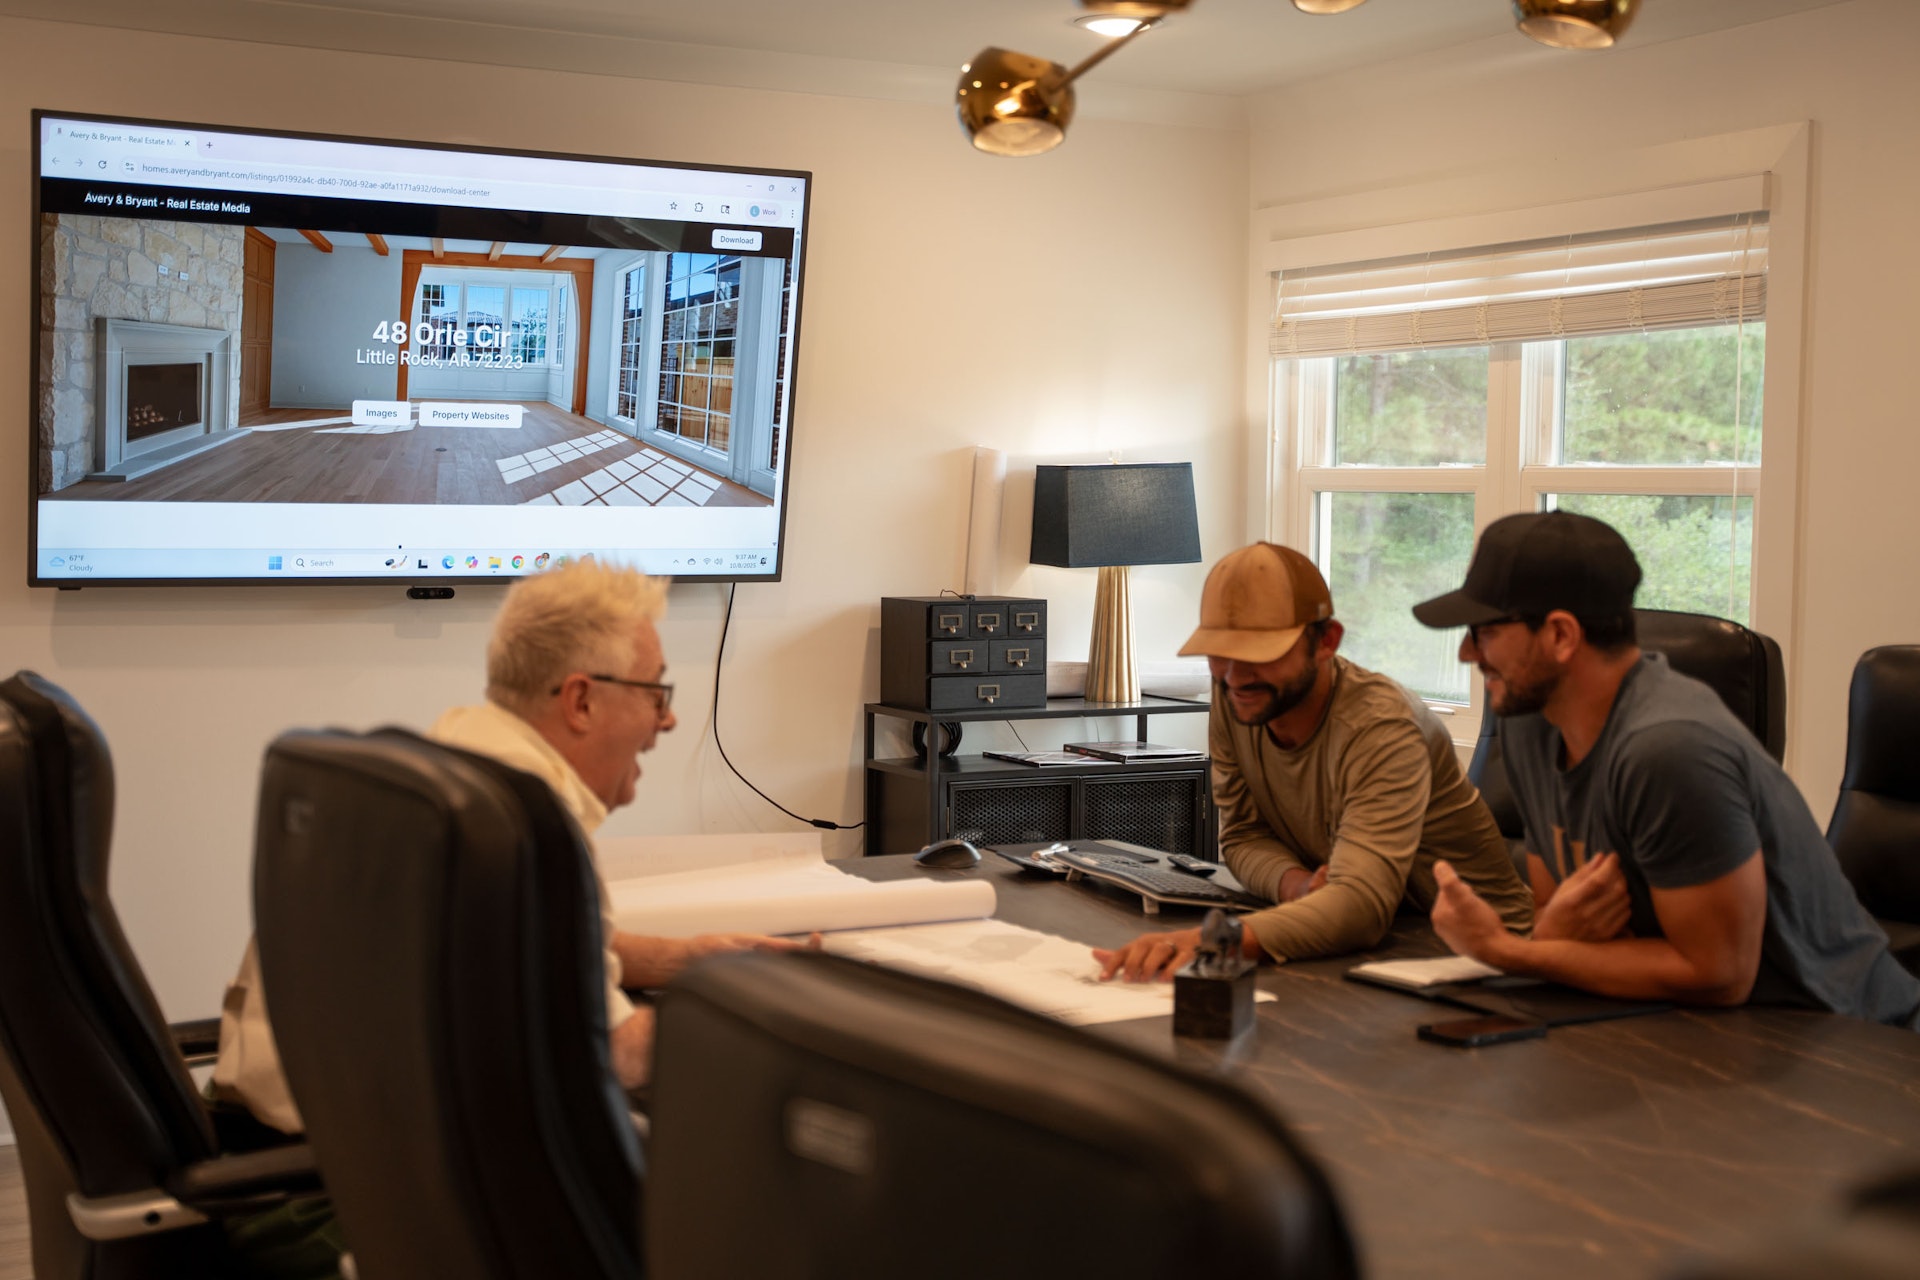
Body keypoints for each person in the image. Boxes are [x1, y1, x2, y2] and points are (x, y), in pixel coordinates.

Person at [214, 559, 807, 1140]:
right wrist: (772, 1012)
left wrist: (687, 961)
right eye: (656, 693)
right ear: (581, 702)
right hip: (335, 1192)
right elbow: (613, 1052)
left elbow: (531, 949)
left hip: (281, 1137)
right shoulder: (519, 825)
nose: (668, 720)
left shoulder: (453, 762)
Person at [1412, 510, 1920, 1026]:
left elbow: (1718, 975)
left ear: (1561, 635)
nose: (1467, 651)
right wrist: (1548, 936)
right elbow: (1557, 918)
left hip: (1846, 1039)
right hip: (1684, 1026)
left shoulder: (1669, 748)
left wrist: (1504, 951)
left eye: (1485, 631)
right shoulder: (1528, 724)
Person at [1094, 542, 1532, 982]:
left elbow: (1360, 907)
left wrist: (1216, 939)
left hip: (1489, 963)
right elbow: (1244, 835)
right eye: (1220, 652)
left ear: (1327, 641)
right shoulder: (1238, 697)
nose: (1235, 675)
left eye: (1259, 652)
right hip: (1371, 948)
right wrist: (1298, 886)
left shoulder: (1381, 727)